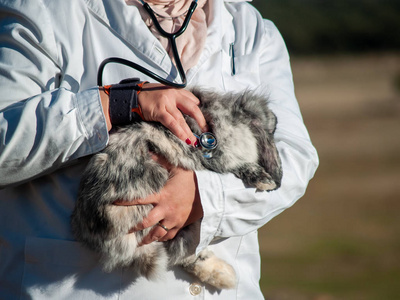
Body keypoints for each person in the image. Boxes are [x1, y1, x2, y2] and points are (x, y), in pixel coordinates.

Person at [0, 0, 318, 299]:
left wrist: (203, 196)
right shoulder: (45, 11)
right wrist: (113, 106)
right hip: (86, 284)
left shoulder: (249, 28)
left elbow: (293, 159)